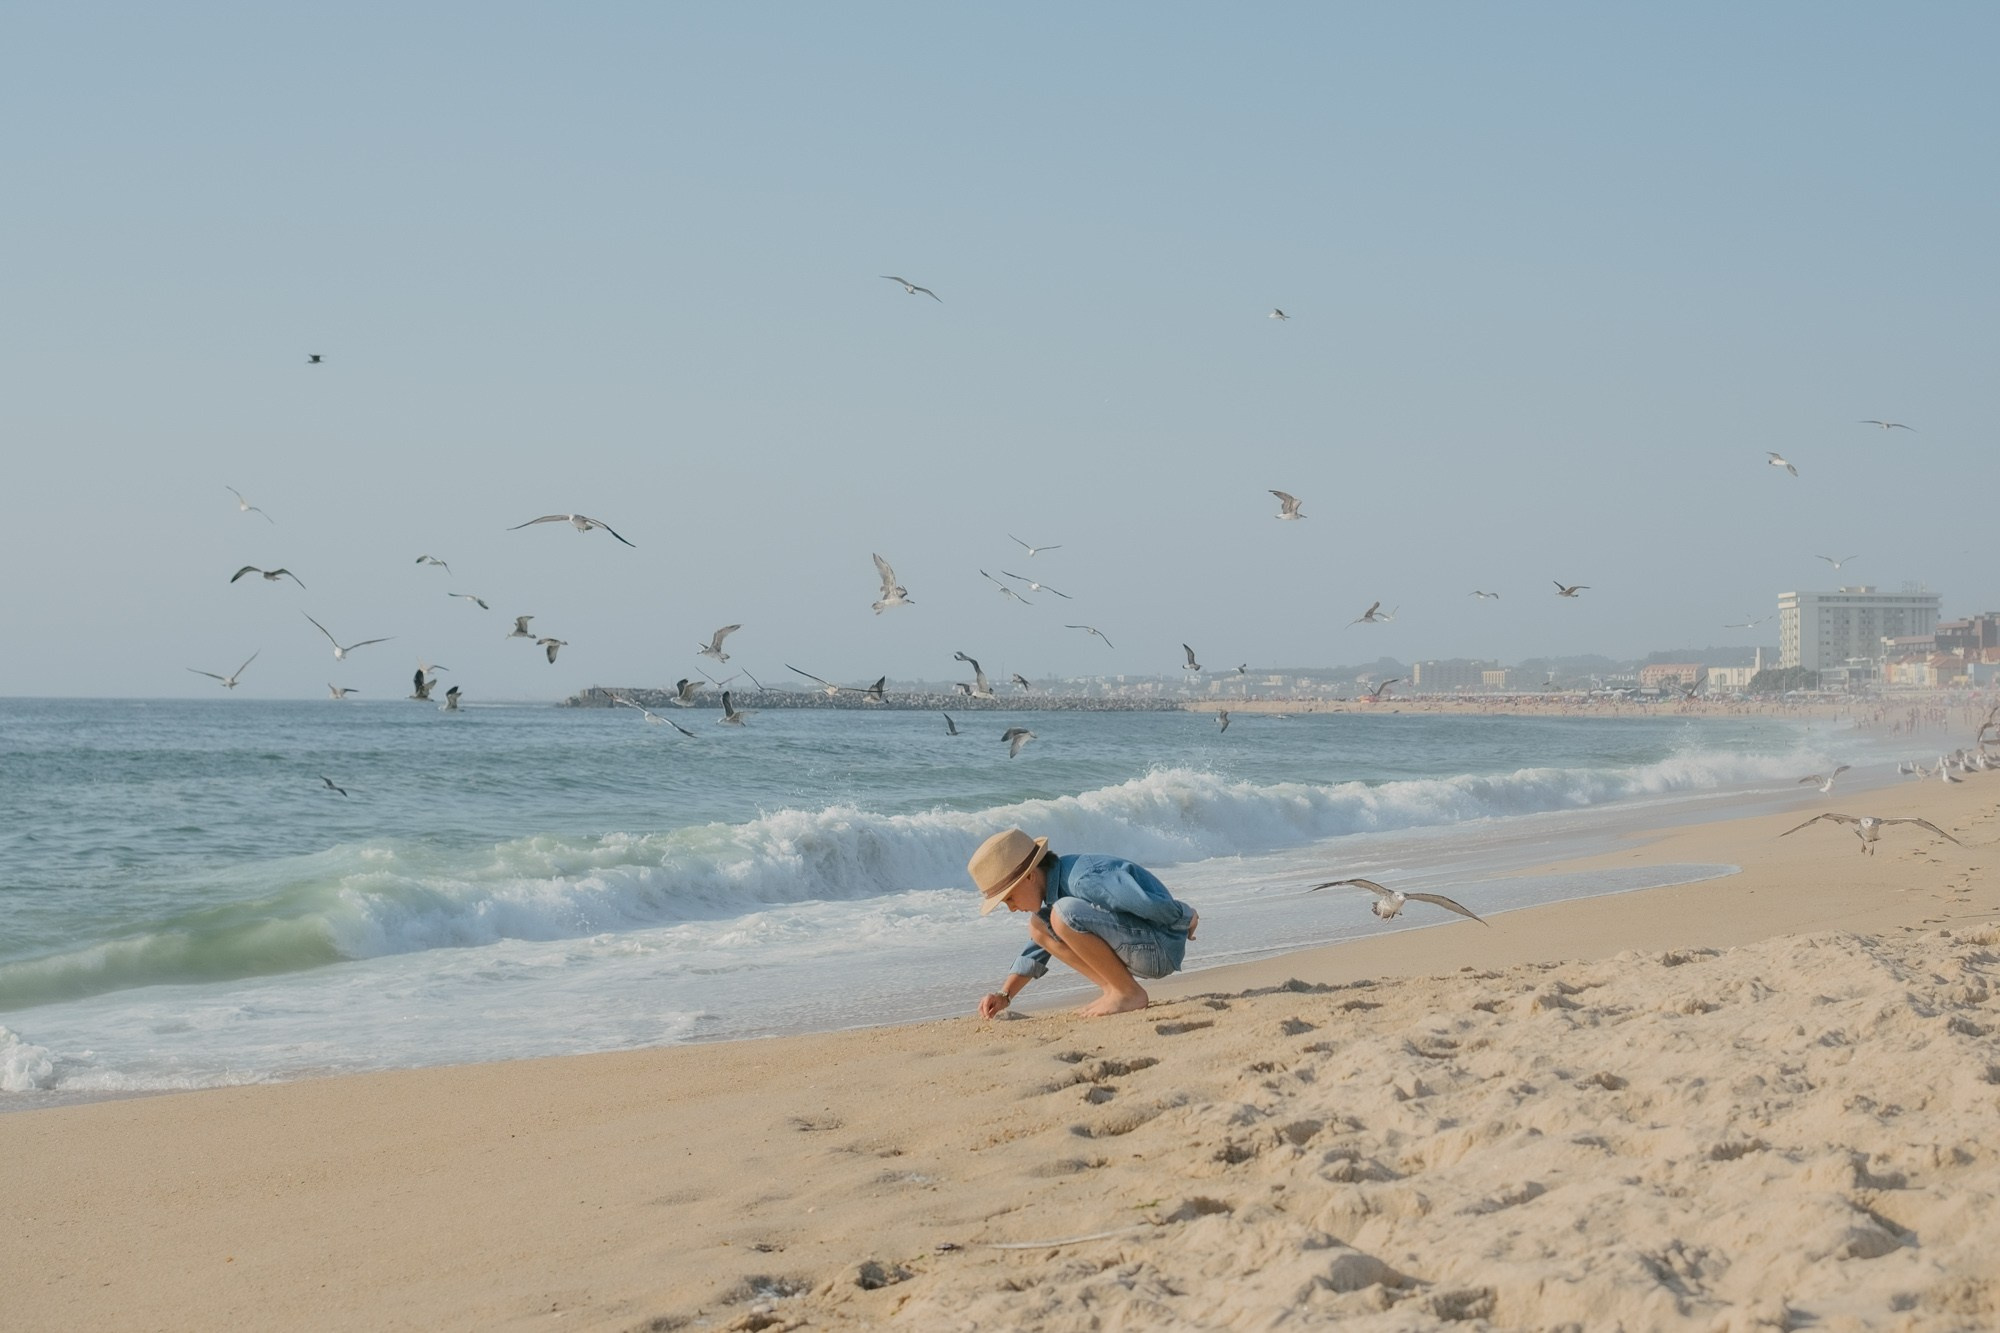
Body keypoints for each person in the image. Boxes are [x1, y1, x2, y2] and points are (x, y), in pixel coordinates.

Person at [968, 827, 1198, 1019]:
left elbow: (1142, 902)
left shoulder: (1082, 878)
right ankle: (1114, 989)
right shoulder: (1052, 890)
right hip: (1141, 945)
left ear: (1030, 876)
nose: (1011, 907)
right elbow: (1037, 949)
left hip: (1159, 948)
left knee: (1063, 914)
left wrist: (1184, 916)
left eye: (1010, 897)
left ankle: (1128, 993)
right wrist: (1005, 995)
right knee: (1039, 927)